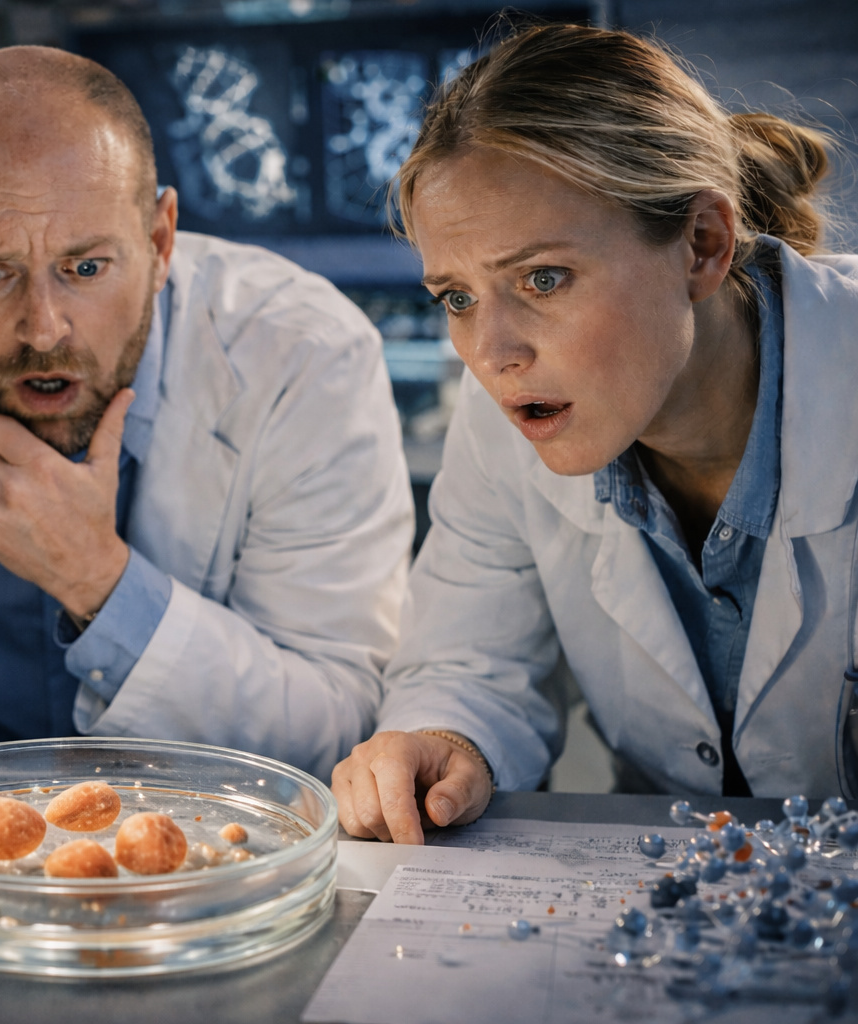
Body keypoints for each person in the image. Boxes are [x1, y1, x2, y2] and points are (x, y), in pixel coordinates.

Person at [0, 47, 414, 779]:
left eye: (85, 268)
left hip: (204, 862)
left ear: (159, 242)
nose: (44, 328)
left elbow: (338, 729)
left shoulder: (305, 356)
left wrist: (99, 583)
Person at [332, 23, 858, 844]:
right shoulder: (507, 417)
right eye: (458, 298)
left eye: (542, 278)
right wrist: (443, 740)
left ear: (703, 245)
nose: (493, 354)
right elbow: (473, 661)